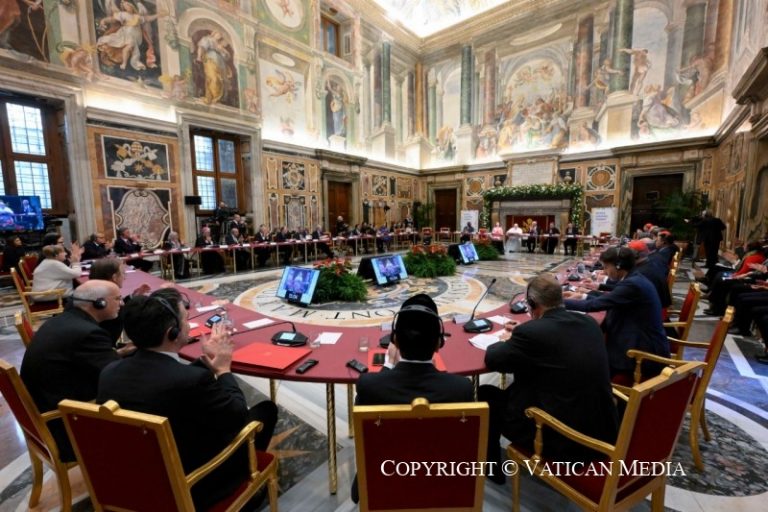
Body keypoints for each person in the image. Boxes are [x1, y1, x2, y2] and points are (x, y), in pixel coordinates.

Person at [96, 288, 278, 511]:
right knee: (265, 411)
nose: (189, 325)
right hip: (192, 485)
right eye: (185, 319)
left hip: (134, 478)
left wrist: (205, 362)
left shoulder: (110, 372)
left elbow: (166, 380)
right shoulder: (191, 381)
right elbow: (237, 415)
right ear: (172, 332)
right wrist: (223, 370)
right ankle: (246, 489)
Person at [480, 276, 618, 482]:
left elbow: (494, 358)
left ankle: (492, 469)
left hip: (565, 440)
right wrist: (524, 332)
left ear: (532, 304)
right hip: (601, 429)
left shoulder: (531, 333)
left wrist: (504, 340)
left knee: (486, 394)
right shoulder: (588, 322)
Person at [352, 293, 473, 502]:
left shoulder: (369, 386)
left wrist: (388, 365)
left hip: (383, 482)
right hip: (442, 485)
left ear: (395, 340)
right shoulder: (461, 389)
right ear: (439, 344)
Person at [20, 279, 130, 462]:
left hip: (45, 414)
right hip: (67, 427)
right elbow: (117, 378)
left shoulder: (62, 321)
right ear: (99, 303)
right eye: (118, 299)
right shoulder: (88, 333)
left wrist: (121, 353)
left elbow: (84, 359)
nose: (122, 304)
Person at [564, 246, 669, 380]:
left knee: (588, 358)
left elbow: (594, 305)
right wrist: (582, 296)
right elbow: (613, 299)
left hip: (640, 352)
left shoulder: (633, 284)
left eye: (606, 267)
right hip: (637, 338)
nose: (604, 271)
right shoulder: (634, 278)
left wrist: (558, 302)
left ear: (618, 266)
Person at [88, 257, 150, 343]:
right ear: (114, 277)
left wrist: (133, 296)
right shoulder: (105, 305)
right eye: (123, 273)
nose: (124, 277)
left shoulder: (97, 293)